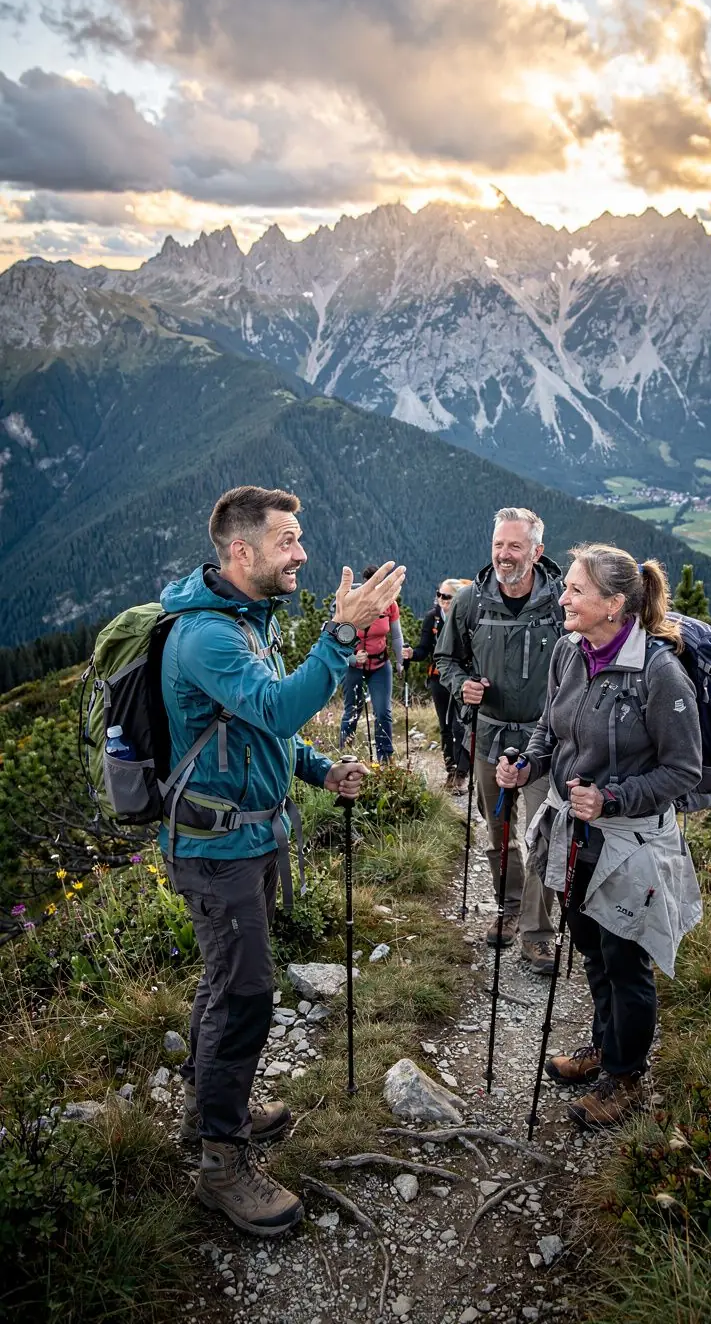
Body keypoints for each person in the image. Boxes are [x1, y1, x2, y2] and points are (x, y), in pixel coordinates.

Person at [158, 486, 405, 1235]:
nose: (301, 553)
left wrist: (322, 771)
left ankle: (209, 1109)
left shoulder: (243, 621)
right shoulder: (208, 638)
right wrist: (339, 633)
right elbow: (276, 708)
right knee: (245, 996)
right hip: (218, 852)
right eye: (288, 540)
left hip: (247, 842)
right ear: (242, 551)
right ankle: (221, 1164)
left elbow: (263, 729)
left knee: (225, 982)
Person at [496, 544, 703, 1130]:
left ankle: (626, 1076)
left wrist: (613, 798)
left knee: (626, 957)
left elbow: (684, 770)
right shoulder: (570, 651)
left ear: (614, 605)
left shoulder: (659, 673)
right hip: (574, 833)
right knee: (590, 945)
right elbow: (549, 730)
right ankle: (603, 1047)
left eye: (576, 591)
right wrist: (526, 765)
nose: (562, 597)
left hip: (629, 842)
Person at [435, 508, 562, 974]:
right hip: (487, 735)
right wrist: (462, 685)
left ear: (536, 551)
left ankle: (538, 931)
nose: (504, 555)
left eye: (514, 546)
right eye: (498, 545)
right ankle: (509, 909)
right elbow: (447, 659)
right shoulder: (470, 602)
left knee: (543, 834)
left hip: (544, 742)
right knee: (500, 830)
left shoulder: (561, 604)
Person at [403, 578, 470, 791]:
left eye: (447, 597)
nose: (441, 600)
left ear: (457, 598)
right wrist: (411, 654)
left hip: (462, 679)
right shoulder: (432, 618)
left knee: (461, 725)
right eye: (439, 594)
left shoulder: (466, 617)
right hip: (438, 677)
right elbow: (424, 650)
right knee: (446, 726)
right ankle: (451, 770)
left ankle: (462, 773)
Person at [339, 564, 404, 764]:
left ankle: (385, 759)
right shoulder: (352, 604)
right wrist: (351, 658)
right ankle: (343, 754)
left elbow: (396, 635)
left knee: (383, 711)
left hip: (380, 665)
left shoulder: (390, 605)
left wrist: (400, 661)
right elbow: (338, 639)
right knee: (352, 711)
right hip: (354, 667)